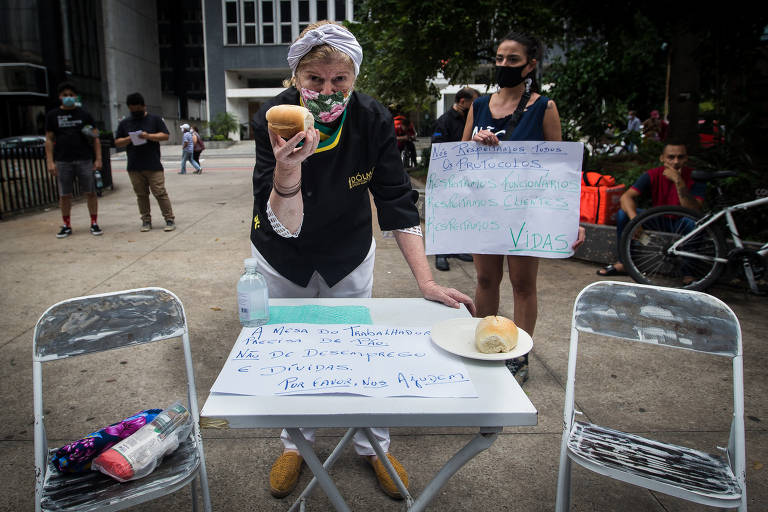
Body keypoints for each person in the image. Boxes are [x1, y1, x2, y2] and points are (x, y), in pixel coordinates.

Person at [251, 20, 475, 501]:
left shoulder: (372, 117)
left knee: (359, 348)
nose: (327, 91)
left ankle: (372, 445)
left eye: (339, 81)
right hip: (281, 251)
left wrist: (425, 280)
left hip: (349, 251)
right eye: (315, 80)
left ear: (354, 78)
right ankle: (296, 444)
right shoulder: (273, 116)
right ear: (296, 77)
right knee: (292, 348)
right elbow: (283, 220)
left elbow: (395, 200)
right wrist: (288, 168)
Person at [463, 31, 585, 384]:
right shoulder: (479, 106)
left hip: (525, 214)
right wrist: (475, 142)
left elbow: (559, 168)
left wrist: (569, 219)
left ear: (530, 65)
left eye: (512, 60)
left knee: (522, 284)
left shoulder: (544, 107)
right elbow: (457, 159)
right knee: (486, 279)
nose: (503, 65)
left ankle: (519, 353)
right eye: (499, 58)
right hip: (484, 211)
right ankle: (485, 344)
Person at [596, 143, 705, 276]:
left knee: (694, 224)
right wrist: (635, 221)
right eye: (671, 157)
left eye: (680, 157)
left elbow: (693, 211)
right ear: (662, 158)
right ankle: (623, 262)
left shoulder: (695, 176)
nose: (676, 161)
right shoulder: (653, 174)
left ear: (686, 158)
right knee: (622, 214)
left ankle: (688, 273)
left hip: (681, 221)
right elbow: (626, 197)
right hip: (658, 219)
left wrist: (678, 180)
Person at [45, 81, 103, 237]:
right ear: (60, 97)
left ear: (75, 97)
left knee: (90, 192)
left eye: (71, 95)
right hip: (63, 160)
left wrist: (98, 159)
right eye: (65, 95)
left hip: (84, 159)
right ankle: (66, 224)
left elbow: (95, 137)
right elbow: (49, 140)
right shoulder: (53, 116)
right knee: (64, 194)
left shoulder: (84, 115)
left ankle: (94, 222)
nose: (68, 97)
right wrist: (50, 162)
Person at [431, 87, 480, 271]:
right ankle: (441, 253)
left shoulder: (470, 120)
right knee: (444, 215)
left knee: (461, 215)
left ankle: (458, 248)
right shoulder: (444, 121)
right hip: (446, 176)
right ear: (462, 102)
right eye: (472, 103)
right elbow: (437, 147)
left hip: (465, 176)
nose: (474, 107)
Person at [115, 93, 176, 232]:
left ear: (143, 106)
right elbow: (117, 142)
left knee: (160, 192)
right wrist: (129, 139)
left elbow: (165, 135)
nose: (135, 111)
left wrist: (147, 136)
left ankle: (169, 218)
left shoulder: (154, 119)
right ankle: (146, 220)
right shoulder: (125, 123)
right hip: (134, 165)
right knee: (141, 195)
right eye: (132, 109)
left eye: (138, 108)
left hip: (153, 163)